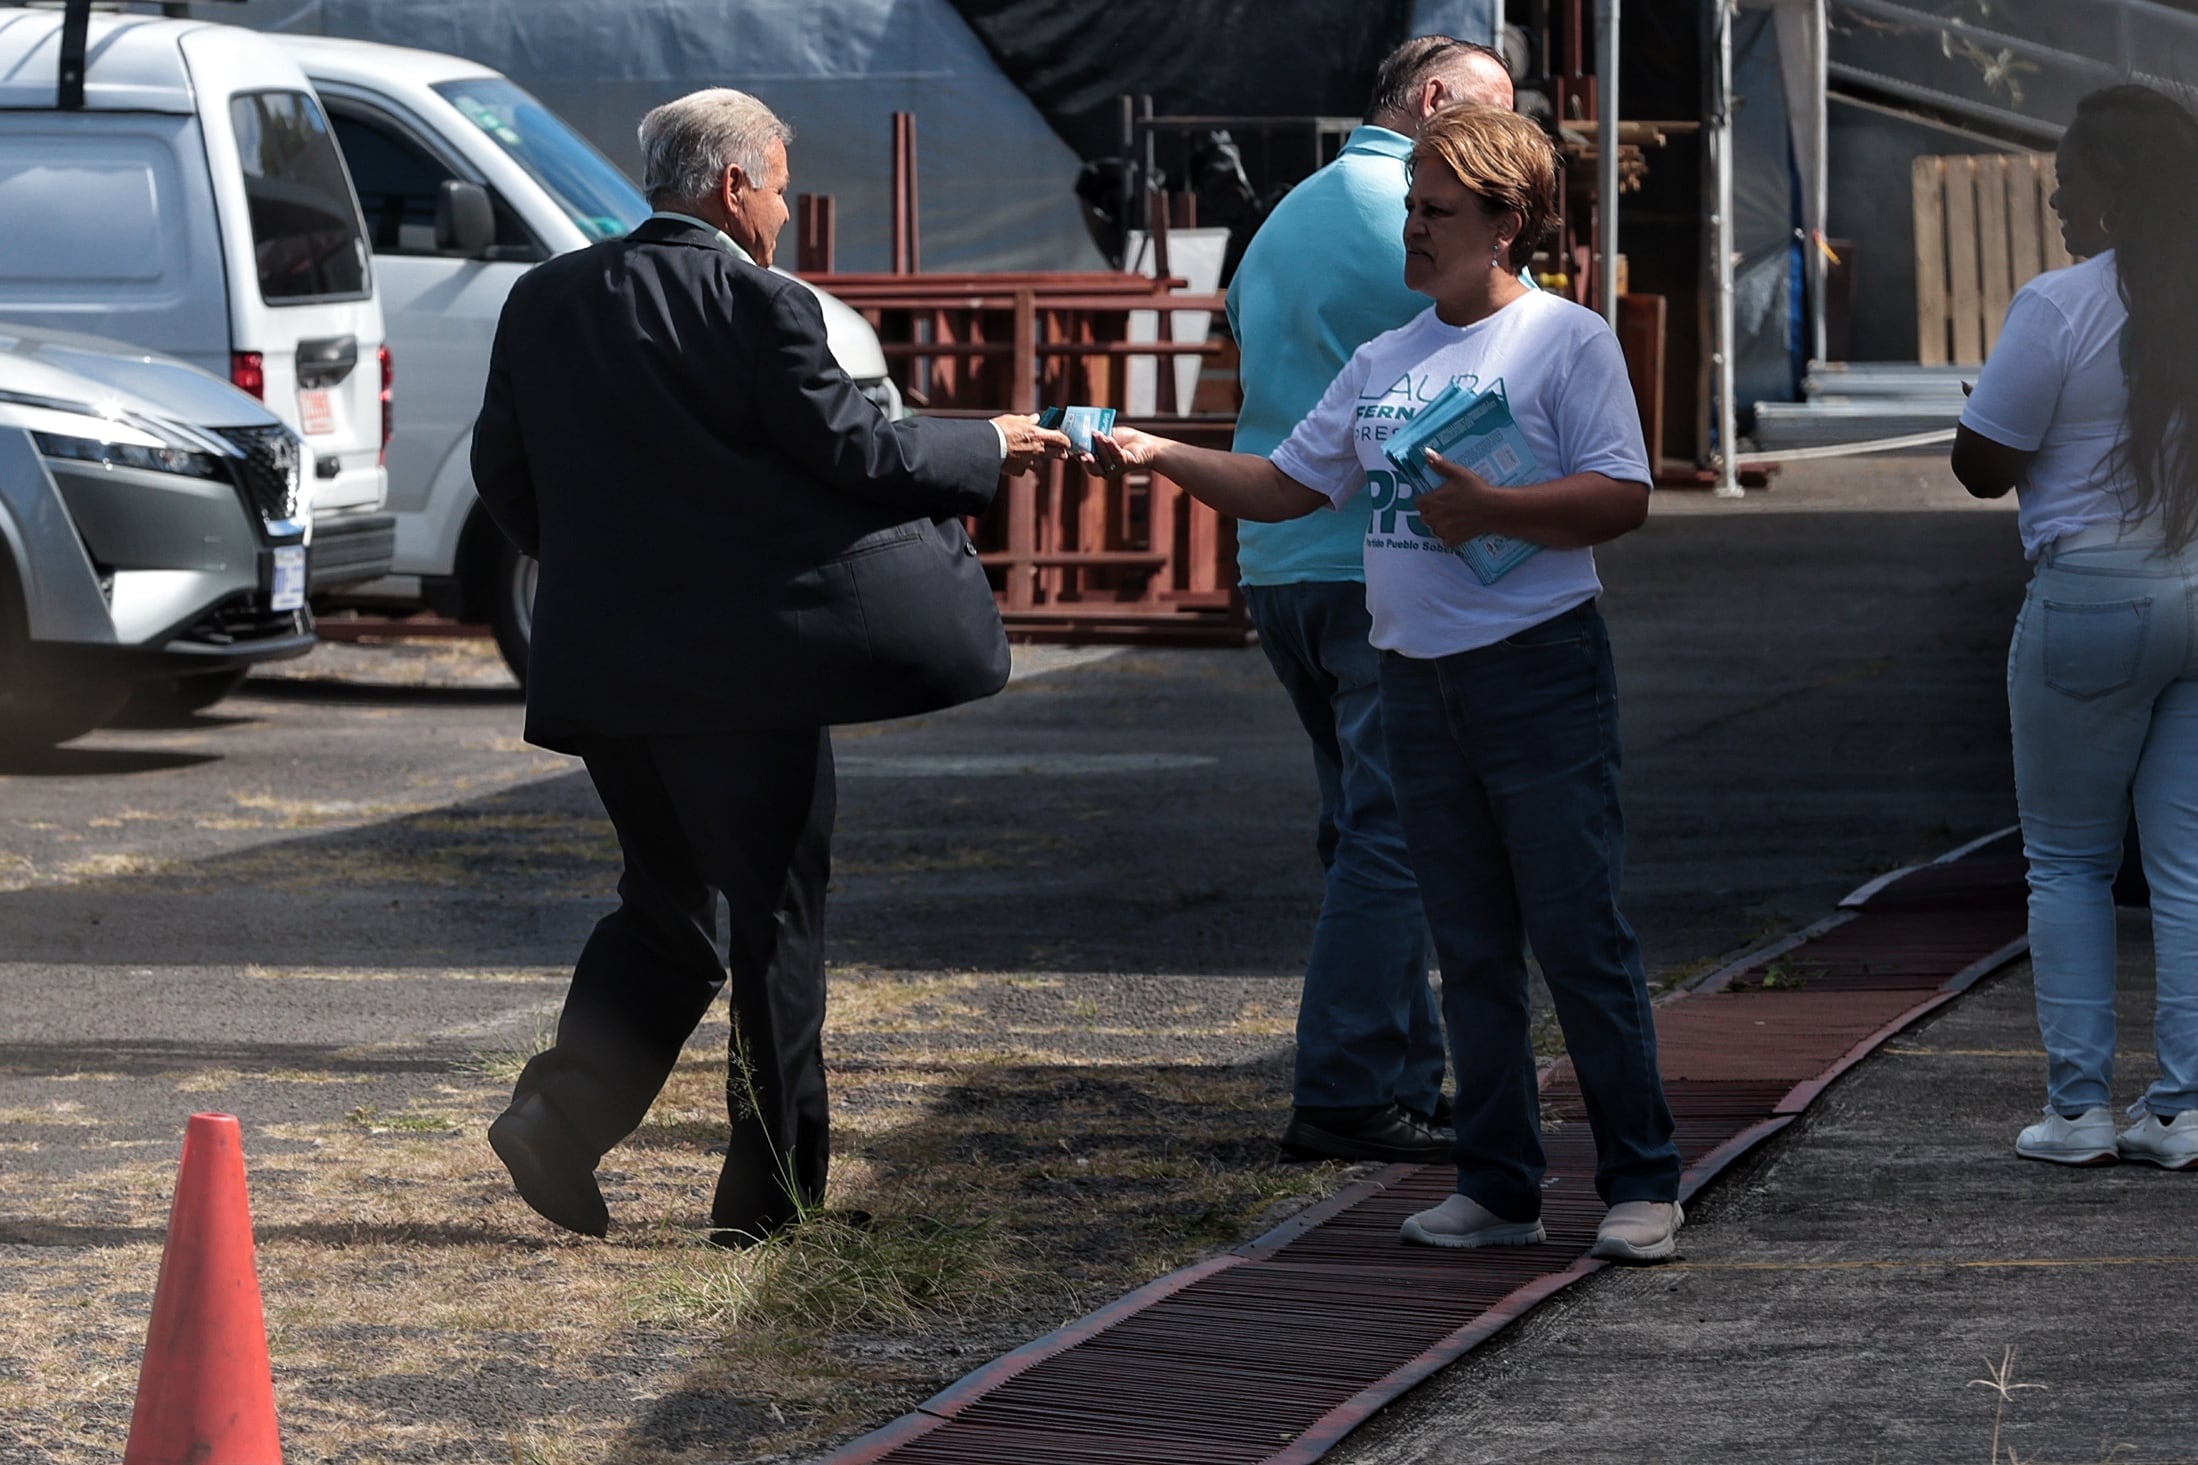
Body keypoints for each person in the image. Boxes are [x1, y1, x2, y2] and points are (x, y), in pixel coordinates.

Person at [470, 88, 1071, 1242]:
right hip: (746, 682)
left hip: (605, 674)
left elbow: (506, 476)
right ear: (733, 184)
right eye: (782, 187)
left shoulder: (541, 300)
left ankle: (558, 1118)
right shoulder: (759, 305)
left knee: (662, 908)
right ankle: (769, 1200)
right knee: (772, 924)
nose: (785, 213)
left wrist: (599, 575)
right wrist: (991, 441)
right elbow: (855, 450)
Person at [1090, 104, 1684, 1261]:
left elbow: (1622, 495)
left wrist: (1497, 511)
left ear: (1507, 223)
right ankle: (1499, 1184)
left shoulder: (1565, 340)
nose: (1413, 231)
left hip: (1537, 672)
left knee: (1577, 938)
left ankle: (1639, 1178)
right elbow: (1282, 486)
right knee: (1465, 945)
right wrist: (1160, 453)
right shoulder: (1385, 358)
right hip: (1416, 680)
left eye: (1438, 213)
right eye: (1412, 208)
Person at [1228, 36, 1520, 1165]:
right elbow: (1502, 338)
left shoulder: (1295, 206)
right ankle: (1349, 1082)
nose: (1510, 151)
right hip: (1374, 563)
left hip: (1289, 564)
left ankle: (1397, 1072)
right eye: (1494, 121)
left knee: (1365, 827)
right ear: (1434, 102)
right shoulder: (1393, 203)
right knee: (1396, 832)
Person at [1952, 82, 2198, 1172]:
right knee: (2187, 866)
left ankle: (2078, 1108)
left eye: (2065, 189)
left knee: (2063, 862)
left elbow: (1978, 463)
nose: (2053, 206)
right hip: (2196, 586)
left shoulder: (2058, 306)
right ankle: (2184, 1106)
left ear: (2111, 195)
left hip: (2088, 597)